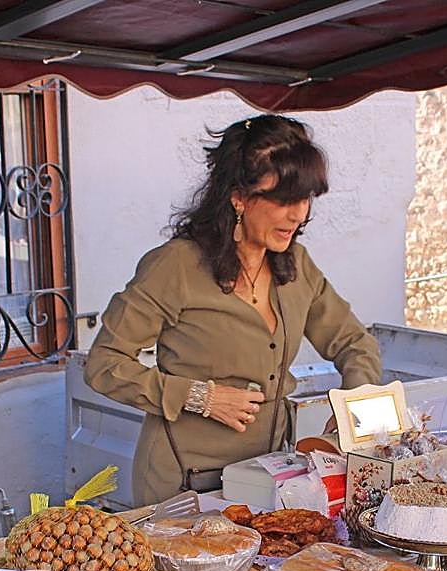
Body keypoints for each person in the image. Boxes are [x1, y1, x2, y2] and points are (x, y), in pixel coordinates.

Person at [85, 115, 381, 504]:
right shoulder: (174, 266)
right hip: (183, 487)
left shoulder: (297, 264)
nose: (299, 214)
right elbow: (104, 364)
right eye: (284, 200)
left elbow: (355, 342)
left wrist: (352, 410)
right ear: (238, 197)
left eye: (306, 198)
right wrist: (199, 397)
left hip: (272, 480)